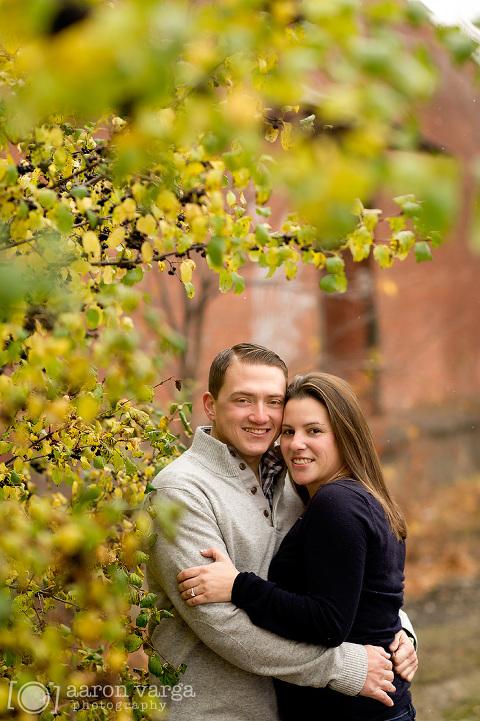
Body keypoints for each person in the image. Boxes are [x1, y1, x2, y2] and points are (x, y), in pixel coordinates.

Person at [145, 345, 417, 721]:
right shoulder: (179, 492)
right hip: (216, 711)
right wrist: (345, 666)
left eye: (273, 401)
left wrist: (400, 632)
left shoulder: (300, 480)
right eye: (243, 400)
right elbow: (223, 625)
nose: (261, 416)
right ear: (210, 405)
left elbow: (348, 575)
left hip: (299, 709)